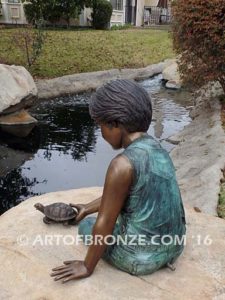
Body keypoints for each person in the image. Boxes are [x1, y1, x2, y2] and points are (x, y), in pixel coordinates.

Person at [51, 79, 186, 283]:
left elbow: (105, 223)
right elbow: (124, 195)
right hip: (175, 246)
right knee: (96, 218)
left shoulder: (121, 165)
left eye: (101, 126)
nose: (101, 133)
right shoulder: (156, 148)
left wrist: (87, 266)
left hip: (140, 257)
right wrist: (86, 207)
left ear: (115, 124)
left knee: (87, 227)